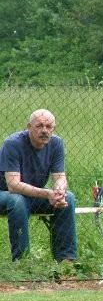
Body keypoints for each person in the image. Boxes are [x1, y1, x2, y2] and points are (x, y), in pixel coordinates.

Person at [0, 109, 77, 262]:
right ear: (29, 126)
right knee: (17, 201)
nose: (44, 130)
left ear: (53, 128)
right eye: (39, 126)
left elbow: (60, 177)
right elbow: (13, 186)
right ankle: (22, 262)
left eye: (49, 127)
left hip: (31, 195)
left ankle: (66, 260)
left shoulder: (56, 143)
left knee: (69, 198)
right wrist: (48, 194)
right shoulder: (13, 143)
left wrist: (59, 191)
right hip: (5, 194)